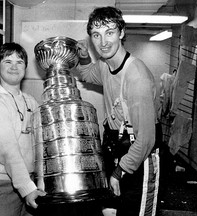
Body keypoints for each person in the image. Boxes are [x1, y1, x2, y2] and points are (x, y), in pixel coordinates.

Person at [76, 6, 160, 216]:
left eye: (109, 32)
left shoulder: (137, 77)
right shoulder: (105, 65)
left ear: (121, 33)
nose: (103, 42)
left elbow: (146, 140)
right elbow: (87, 74)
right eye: (96, 35)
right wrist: (85, 57)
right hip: (117, 148)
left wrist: (118, 172)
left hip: (141, 156)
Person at [0, 42, 46, 216]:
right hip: (3, 187)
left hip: (30, 182)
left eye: (19, 62)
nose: (14, 66)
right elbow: (8, 152)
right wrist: (26, 187)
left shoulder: (31, 102)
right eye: (8, 61)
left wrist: (39, 181)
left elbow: (42, 142)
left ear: (25, 68)